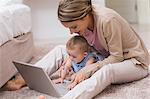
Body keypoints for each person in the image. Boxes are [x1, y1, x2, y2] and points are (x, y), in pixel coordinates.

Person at [6, 0, 149, 98]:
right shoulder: (85, 23)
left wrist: (88, 69)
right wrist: (69, 59)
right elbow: (87, 49)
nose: (71, 32)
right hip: (103, 56)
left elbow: (117, 57)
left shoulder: (107, 20)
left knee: (107, 71)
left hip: (134, 62)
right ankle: (23, 80)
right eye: (69, 28)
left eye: (74, 27)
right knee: (61, 50)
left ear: (86, 15)